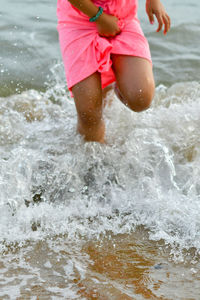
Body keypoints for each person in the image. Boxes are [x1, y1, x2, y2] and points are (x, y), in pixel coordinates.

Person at [57, 0, 170, 143]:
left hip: (121, 16)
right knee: (89, 113)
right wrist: (99, 17)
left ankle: (112, 82)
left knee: (141, 97)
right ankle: (94, 160)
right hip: (78, 20)